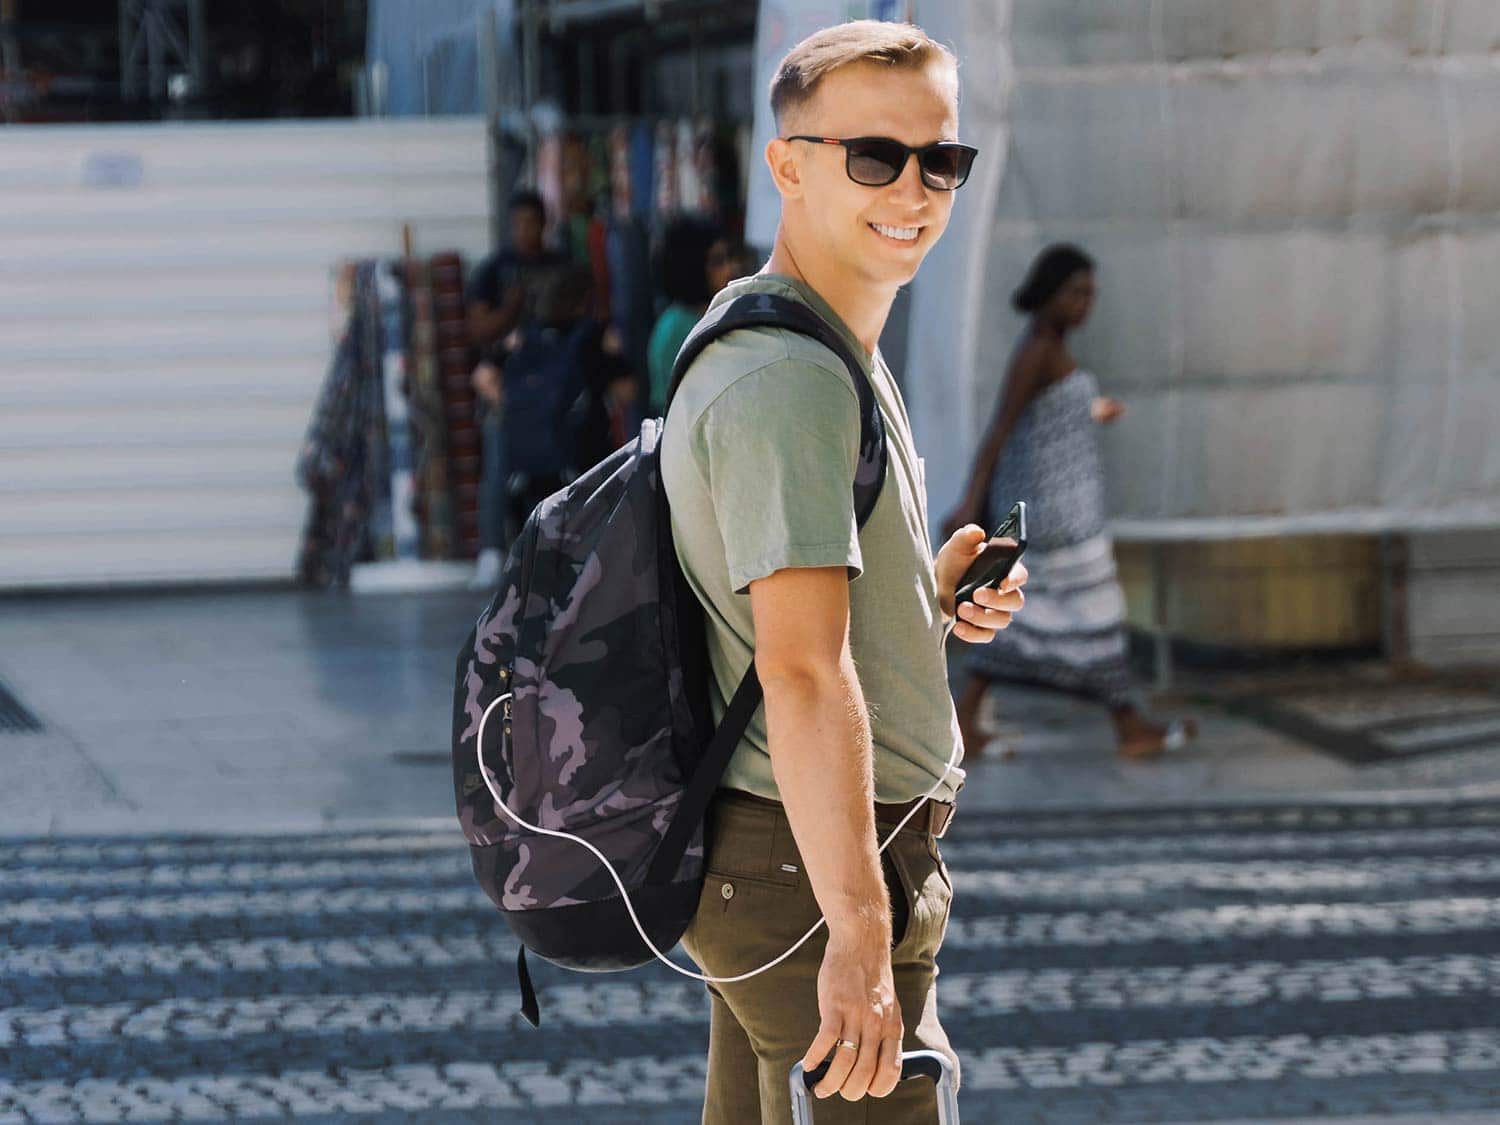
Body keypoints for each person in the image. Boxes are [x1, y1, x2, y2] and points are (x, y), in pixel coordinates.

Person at [659, 21, 1026, 1123]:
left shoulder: (807, 337)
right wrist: (861, 937)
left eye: (940, 160)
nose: (912, 188)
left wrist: (927, 593)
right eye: (873, 156)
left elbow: (788, 593)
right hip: (808, 871)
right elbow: (804, 671)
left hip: (780, 855)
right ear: (788, 165)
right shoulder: (791, 378)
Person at [941, 244, 1196, 761]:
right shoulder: (1037, 348)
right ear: (1049, 293)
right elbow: (1002, 428)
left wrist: (1093, 410)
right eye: (1076, 293)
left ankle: (967, 721)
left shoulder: (1051, 349)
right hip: (1054, 516)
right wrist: (971, 500)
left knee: (1030, 621)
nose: (1085, 305)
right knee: (1094, 614)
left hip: (1061, 513)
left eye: (1090, 295)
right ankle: (1128, 725)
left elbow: (1048, 415)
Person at [466, 189, 568, 589]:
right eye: (519, 223)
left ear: (545, 224)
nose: (526, 231)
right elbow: (477, 330)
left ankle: (560, 548)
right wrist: (511, 307)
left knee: (560, 465)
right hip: (507, 385)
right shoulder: (495, 269)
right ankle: (492, 550)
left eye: (533, 222)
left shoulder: (560, 264)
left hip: (554, 383)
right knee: (498, 464)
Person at [646, 215, 753, 416]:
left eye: (728, 258)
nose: (729, 269)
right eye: (717, 261)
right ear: (693, 266)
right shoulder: (677, 328)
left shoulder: (711, 314)